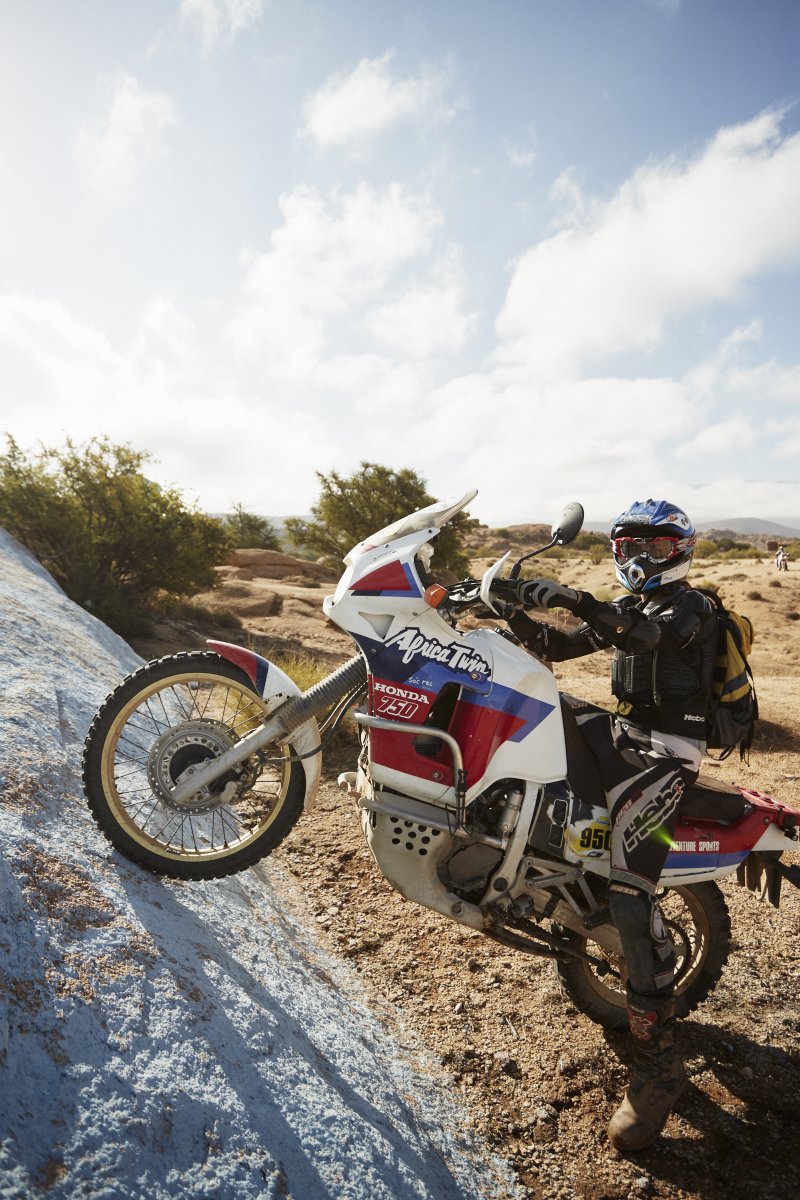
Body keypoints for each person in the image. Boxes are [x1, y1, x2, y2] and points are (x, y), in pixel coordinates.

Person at [493, 500, 718, 1153]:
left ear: (678, 550)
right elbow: (555, 647)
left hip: (667, 758)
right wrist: (507, 606)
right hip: (628, 737)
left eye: (651, 547)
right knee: (539, 706)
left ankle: (660, 1067)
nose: (638, 560)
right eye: (627, 548)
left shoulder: (689, 610)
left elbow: (641, 637)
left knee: (630, 893)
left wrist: (574, 595)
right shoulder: (638, 610)